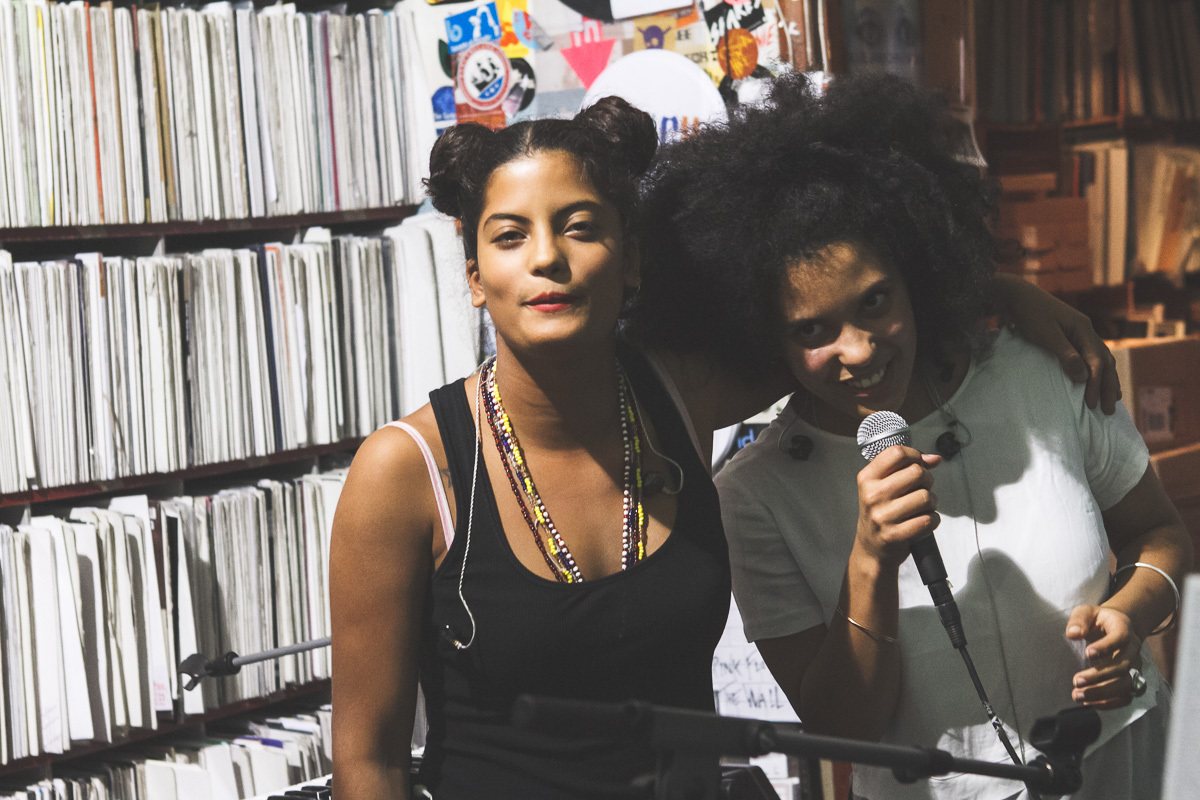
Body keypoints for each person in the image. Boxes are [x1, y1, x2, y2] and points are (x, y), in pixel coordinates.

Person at [329, 94, 1127, 799]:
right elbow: (369, 760)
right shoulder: (408, 472)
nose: (546, 258)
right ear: (474, 273)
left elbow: (839, 315)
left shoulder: (681, 392)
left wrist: (996, 293)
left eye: (579, 226)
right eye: (510, 237)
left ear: (632, 255)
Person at [631, 72, 1192, 800]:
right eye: (813, 330)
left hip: (1127, 766)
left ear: (917, 273)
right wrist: (869, 558)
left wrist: (1129, 611)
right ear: (761, 335)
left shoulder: (1038, 372)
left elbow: (1160, 533)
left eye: (875, 302)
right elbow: (841, 723)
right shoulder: (754, 497)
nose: (859, 349)